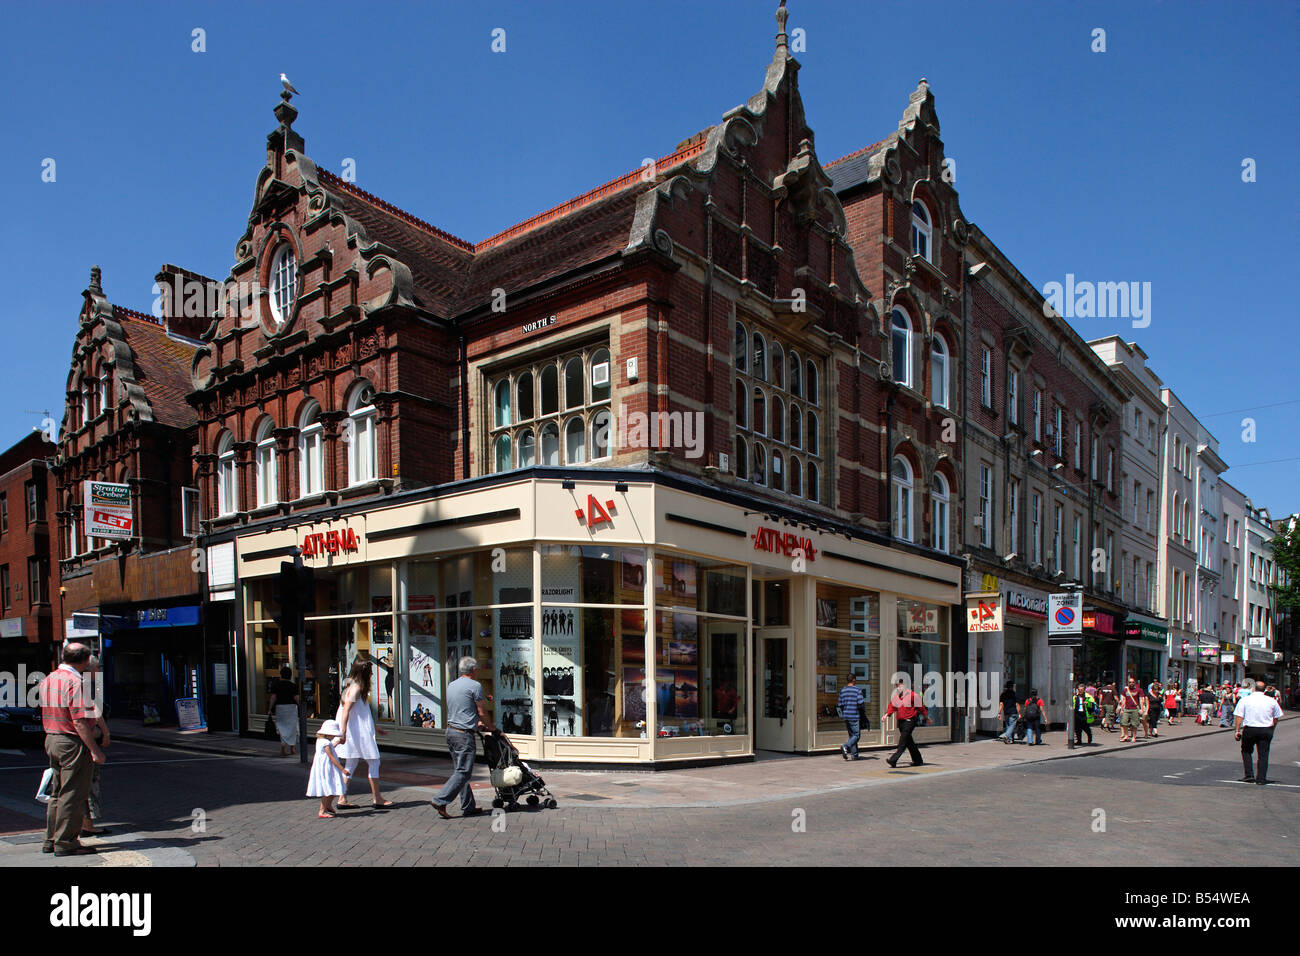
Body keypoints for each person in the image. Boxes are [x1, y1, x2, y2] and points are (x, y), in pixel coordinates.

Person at [37, 642, 106, 856]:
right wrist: (95, 749)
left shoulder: (49, 679)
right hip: (71, 742)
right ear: (85, 661)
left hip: (52, 738)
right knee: (73, 794)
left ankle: (51, 839)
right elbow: (80, 722)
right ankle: (66, 843)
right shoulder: (76, 682)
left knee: (57, 793)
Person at [433, 656, 495, 819]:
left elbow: (462, 709)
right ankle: (440, 800)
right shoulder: (475, 686)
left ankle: (468, 806)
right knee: (463, 772)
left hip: (451, 731)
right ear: (473, 670)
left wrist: (475, 723)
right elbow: (481, 711)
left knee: (459, 770)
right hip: (463, 735)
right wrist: (491, 726)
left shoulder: (451, 685)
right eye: (477, 669)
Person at [334, 658, 393, 808]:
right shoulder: (357, 688)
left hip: (357, 731)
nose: (372, 673)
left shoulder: (351, 686)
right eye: (370, 671)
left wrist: (375, 727)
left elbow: (361, 712)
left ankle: (342, 797)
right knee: (374, 761)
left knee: (351, 762)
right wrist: (343, 731)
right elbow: (346, 710)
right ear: (364, 673)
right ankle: (377, 798)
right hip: (359, 733)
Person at [81, 656, 111, 837]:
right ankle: (86, 825)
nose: (100, 669)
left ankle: (86, 823)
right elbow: (90, 713)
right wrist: (102, 737)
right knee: (86, 784)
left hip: (72, 741)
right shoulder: (80, 685)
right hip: (82, 743)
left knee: (83, 785)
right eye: (98, 666)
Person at [1234, 679, 1283, 785]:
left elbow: (1239, 716)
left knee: (1246, 751)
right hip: (1266, 729)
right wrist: (1272, 728)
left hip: (1250, 728)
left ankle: (1249, 775)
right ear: (1264, 690)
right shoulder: (1271, 701)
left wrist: (1237, 730)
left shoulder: (1245, 700)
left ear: (1253, 689)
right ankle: (1261, 779)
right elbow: (1276, 717)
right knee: (1263, 754)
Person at [307, 719, 351, 818]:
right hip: (327, 768)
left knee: (333, 787)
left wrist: (337, 743)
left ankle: (327, 806)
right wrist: (342, 769)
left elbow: (330, 749)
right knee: (328, 788)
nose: (334, 737)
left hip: (325, 767)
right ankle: (322, 810)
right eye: (333, 735)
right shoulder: (326, 742)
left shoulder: (321, 741)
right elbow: (331, 757)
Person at [882, 678, 927, 768]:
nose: (898, 688)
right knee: (909, 742)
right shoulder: (897, 697)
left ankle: (893, 760)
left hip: (910, 721)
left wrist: (927, 717)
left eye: (899, 685)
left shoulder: (913, 695)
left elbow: (921, 708)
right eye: (897, 686)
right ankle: (918, 760)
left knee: (902, 742)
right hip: (901, 722)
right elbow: (892, 706)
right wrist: (886, 715)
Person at [267, 665, 300, 757]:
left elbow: (273, 698)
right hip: (291, 708)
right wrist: (301, 707)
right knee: (293, 728)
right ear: (290, 675)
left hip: (280, 708)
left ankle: (283, 747)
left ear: (281, 675)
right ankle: (292, 748)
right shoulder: (293, 686)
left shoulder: (276, 685)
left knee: (282, 727)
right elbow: (296, 698)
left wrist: (269, 709)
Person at [838, 673, 866, 760]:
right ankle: (845, 746)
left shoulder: (843, 690)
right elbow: (860, 703)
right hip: (854, 715)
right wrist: (863, 714)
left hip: (846, 715)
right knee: (857, 735)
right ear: (854, 680)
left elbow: (840, 704)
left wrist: (845, 711)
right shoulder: (857, 690)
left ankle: (854, 755)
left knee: (852, 735)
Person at [1118, 677, 1144, 743]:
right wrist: (1122, 709)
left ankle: (1134, 737)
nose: (1131, 683)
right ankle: (1126, 735)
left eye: (1132, 682)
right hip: (1127, 709)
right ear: (1128, 683)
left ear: (1135, 683)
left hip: (1135, 709)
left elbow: (1141, 700)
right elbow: (1123, 700)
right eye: (1130, 682)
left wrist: (1141, 709)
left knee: (1134, 724)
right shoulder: (1125, 690)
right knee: (1124, 722)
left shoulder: (1139, 690)